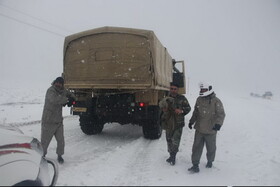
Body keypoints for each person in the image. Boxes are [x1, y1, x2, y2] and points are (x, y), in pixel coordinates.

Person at [188, 83, 225, 173]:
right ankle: (195, 165)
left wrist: (218, 124)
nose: (201, 91)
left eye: (203, 90)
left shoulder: (216, 101)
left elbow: (221, 114)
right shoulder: (199, 99)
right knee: (196, 147)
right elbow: (195, 112)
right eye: (201, 89)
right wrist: (191, 121)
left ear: (209, 89)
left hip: (211, 130)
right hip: (199, 129)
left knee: (211, 148)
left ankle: (210, 161)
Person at [41, 77, 75, 164]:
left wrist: (72, 99)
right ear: (54, 82)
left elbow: (70, 94)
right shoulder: (51, 90)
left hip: (58, 121)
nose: (58, 84)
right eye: (57, 82)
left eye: (60, 83)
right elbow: (54, 99)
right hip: (48, 120)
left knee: (61, 141)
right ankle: (41, 155)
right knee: (45, 141)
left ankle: (60, 155)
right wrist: (66, 100)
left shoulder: (63, 90)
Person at [159, 82, 191, 165]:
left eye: (175, 89)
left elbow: (188, 108)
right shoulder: (166, 98)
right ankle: (170, 155)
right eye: (172, 89)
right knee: (169, 140)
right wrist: (164, 108)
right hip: (168, 123)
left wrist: (181, 111)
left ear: (177, 90)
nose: (173, 90)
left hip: (178, 123)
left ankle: (173, 157)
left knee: (175, 141)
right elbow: (160, 106)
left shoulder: (182, 98)